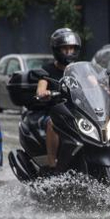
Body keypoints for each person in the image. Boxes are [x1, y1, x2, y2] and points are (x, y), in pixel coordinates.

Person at [36, 28, 82, 167]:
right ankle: (52, 162)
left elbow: (93, 82)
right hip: (55, 112)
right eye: (65, 48)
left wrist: (106, 89)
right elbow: (41, 87)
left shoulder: (78, 69)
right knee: (53, 123)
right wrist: (44, 93)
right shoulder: (47, 70)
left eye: (71, 48)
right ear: (57, 50)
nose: (69, 52)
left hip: (76, 111)